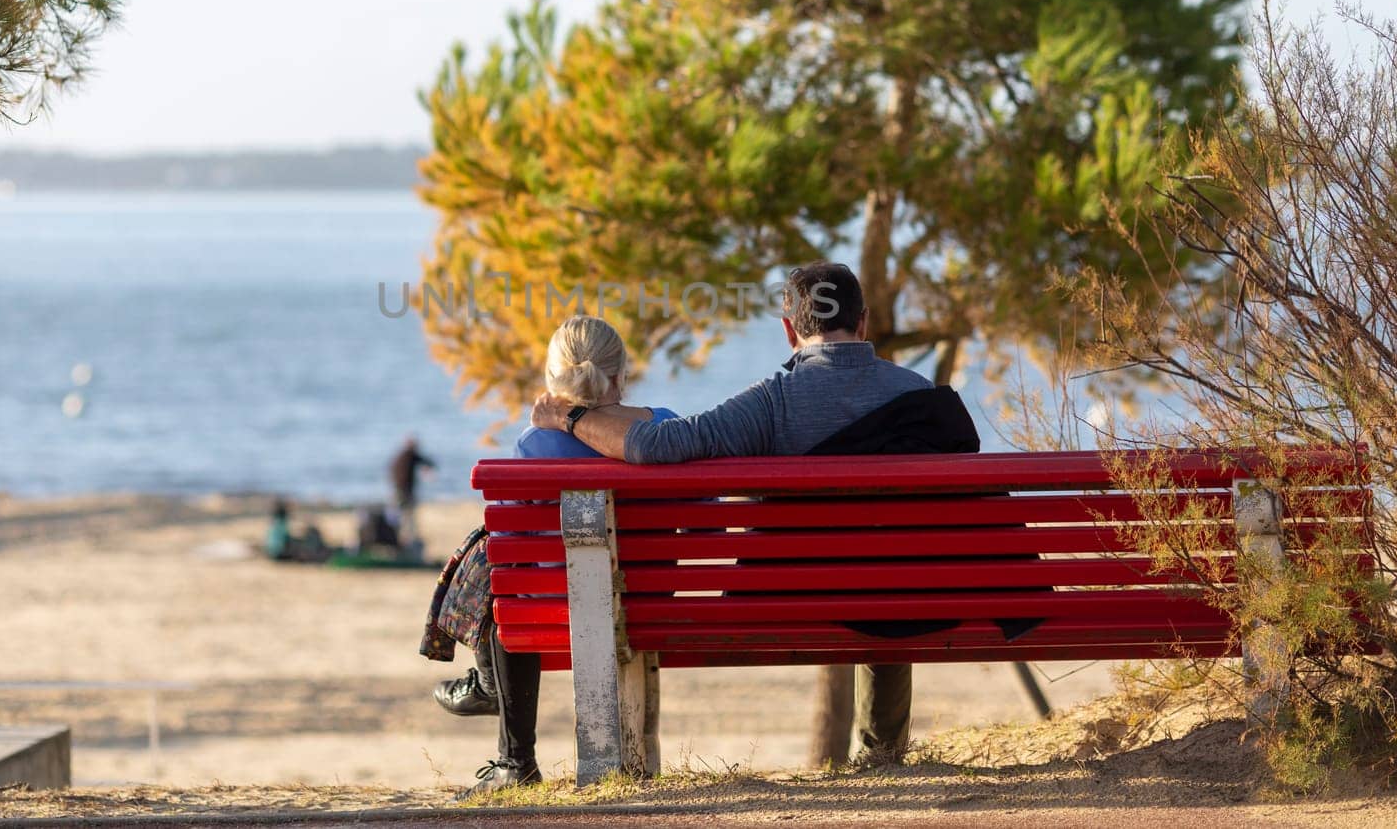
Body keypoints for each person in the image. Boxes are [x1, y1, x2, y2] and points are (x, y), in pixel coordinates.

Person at [529, 262, 979, 765]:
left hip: (789, 599)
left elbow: (659, 443)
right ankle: (882, 750)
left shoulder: (772, 402)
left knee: (870, 572)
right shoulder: (920, 393)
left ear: (790, 330)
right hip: (911, 597)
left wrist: (570, 417)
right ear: (864, 321)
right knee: (893, 566)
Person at [421, 315, 677, 796]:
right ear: (621, 376)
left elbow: (509, 531)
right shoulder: (664, 425)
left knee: (501, 600)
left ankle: (514, 760)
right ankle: (490, 695)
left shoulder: (535, 443)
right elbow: (703, 509)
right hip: (654, 603)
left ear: (554, 381)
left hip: (556, 612)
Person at [388, 436, 436, 551]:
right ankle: (408, 539)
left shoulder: (401, 456)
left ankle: (402, 538)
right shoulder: (410, 455)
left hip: (398, 490)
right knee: (408, 516)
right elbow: (428, 462)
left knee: (399, 515)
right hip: (405, 492)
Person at [264, 499, 331, 563]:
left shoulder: (275, 524)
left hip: (273, 553)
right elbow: (284, 540)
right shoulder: (281, 523)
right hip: (279, 553)